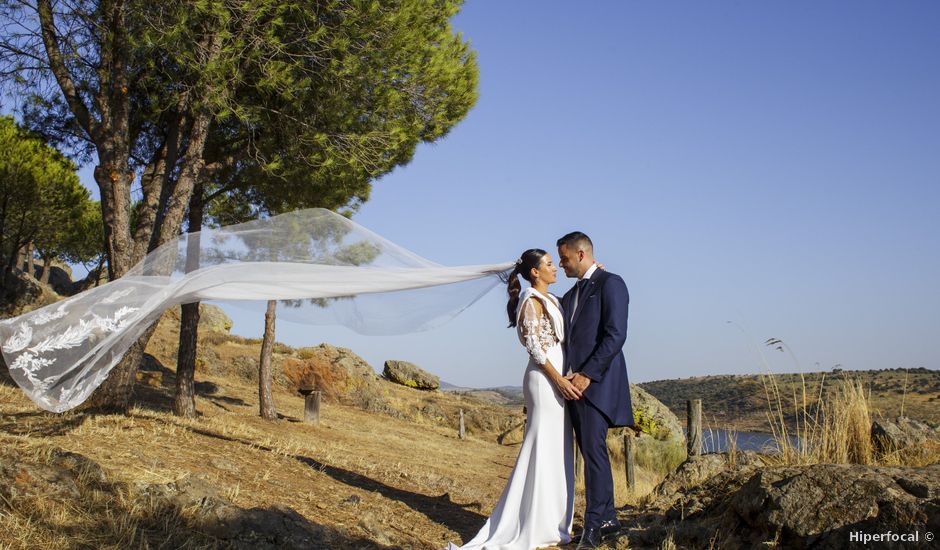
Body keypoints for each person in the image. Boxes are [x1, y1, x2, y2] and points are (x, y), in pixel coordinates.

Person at [448, 248, 580, 549]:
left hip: (556, 379)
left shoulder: (550, 299)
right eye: (549, 264)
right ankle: (530, 522)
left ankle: (552, 520)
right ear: (535, 272)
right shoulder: (529, 300)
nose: (555, 268)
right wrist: (559, 379)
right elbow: (534, 348)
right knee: (541, 445)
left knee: (556, 447)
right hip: (545, 381)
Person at [557, 231, 632, 549]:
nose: (560, 264)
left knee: (594, 455)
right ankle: (610, 519)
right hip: (573, 387)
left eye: (563, 258)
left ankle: (593, 527)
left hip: (596, 385)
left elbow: (615, 335)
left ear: (581, 254)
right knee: (591, 453)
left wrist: (587, 375)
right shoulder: (570, 295)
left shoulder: (611, 283)